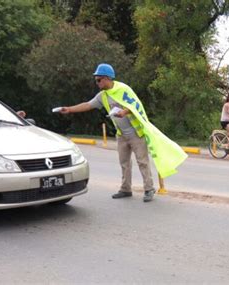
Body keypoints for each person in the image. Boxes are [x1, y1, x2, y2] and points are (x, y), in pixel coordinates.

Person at [59, 63, 156, 202]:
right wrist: (69, 109)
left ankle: (149, 189)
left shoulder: (123, 89)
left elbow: (136, 105)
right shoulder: (102, 96)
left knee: (142, 162)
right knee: (124, 163)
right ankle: (126, 189)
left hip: (136, 133)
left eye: (98, 79)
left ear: (107, 78)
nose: (96, 82)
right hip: (121, 134)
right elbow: (88, 105)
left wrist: (124, 111)